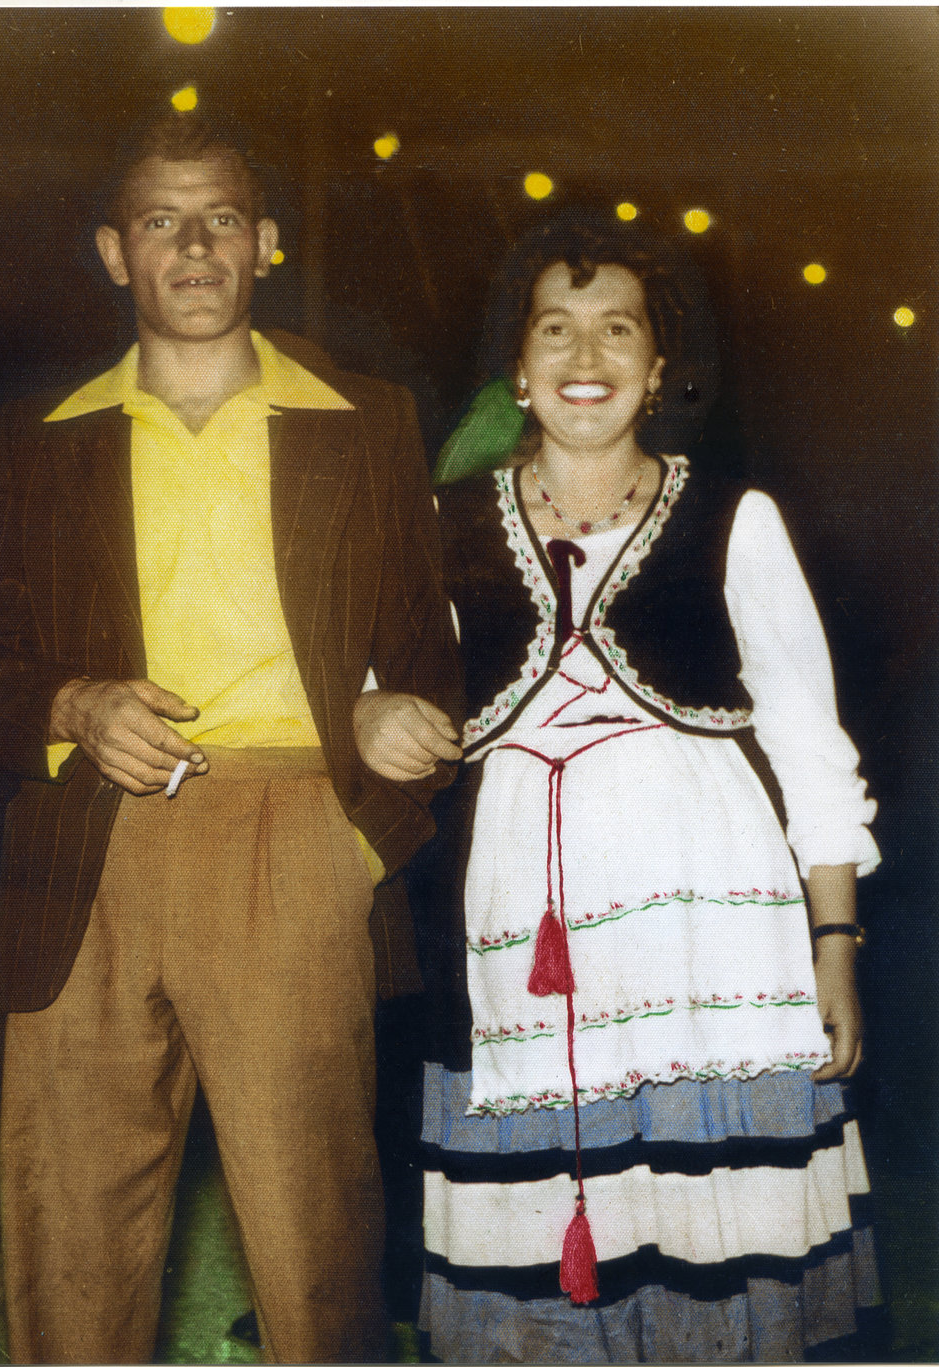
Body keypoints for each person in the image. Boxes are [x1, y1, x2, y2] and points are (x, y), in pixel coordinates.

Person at [0, 110, 463, 1365]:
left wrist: (379, 747)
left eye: (219, 216)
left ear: (265, 242)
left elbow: (431, 646)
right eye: (159, 222)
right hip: (88, 845)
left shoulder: (365, 418)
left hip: (291, 840)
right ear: (114, 252)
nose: (191, 246)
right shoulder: (43, 435)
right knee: (69, 1223)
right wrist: (73, 707)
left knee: (313, 1232)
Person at [353, 212, 883, 1362]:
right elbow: (365, 685)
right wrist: (367, 711)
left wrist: (832, 937)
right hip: (518, 927)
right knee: (540, 1243)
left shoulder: (734, 518)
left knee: (710, 1240)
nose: (583, 357)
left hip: (711, 931)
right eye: (555, 329)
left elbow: (806, 738)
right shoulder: (440, 525)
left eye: (615, 330)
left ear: (657, 367)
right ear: (516, 367)